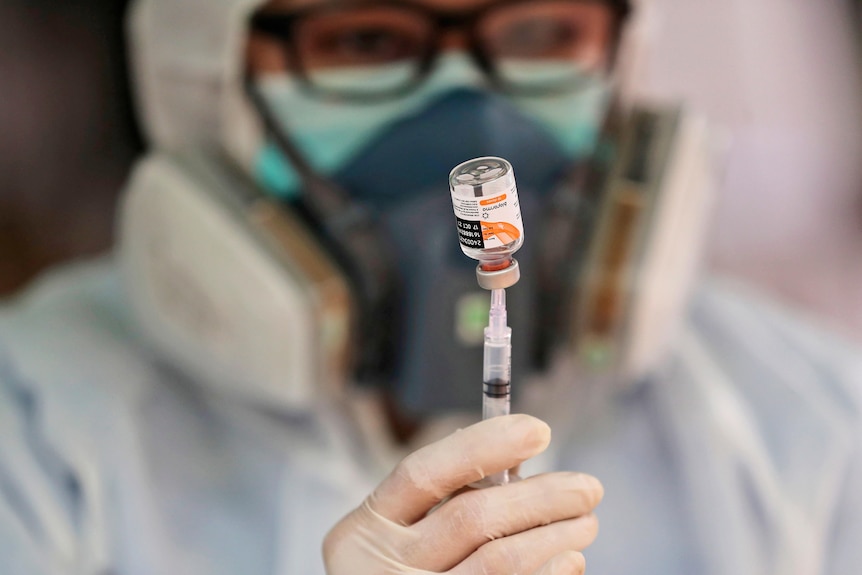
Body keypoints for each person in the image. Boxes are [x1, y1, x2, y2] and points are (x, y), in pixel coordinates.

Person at [1, 0, 861, 574]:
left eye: (538, 33)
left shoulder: (809, 427)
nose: (473, 112)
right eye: (368, 41)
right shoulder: (34, 434)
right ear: (208, 77)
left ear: (623, 60)